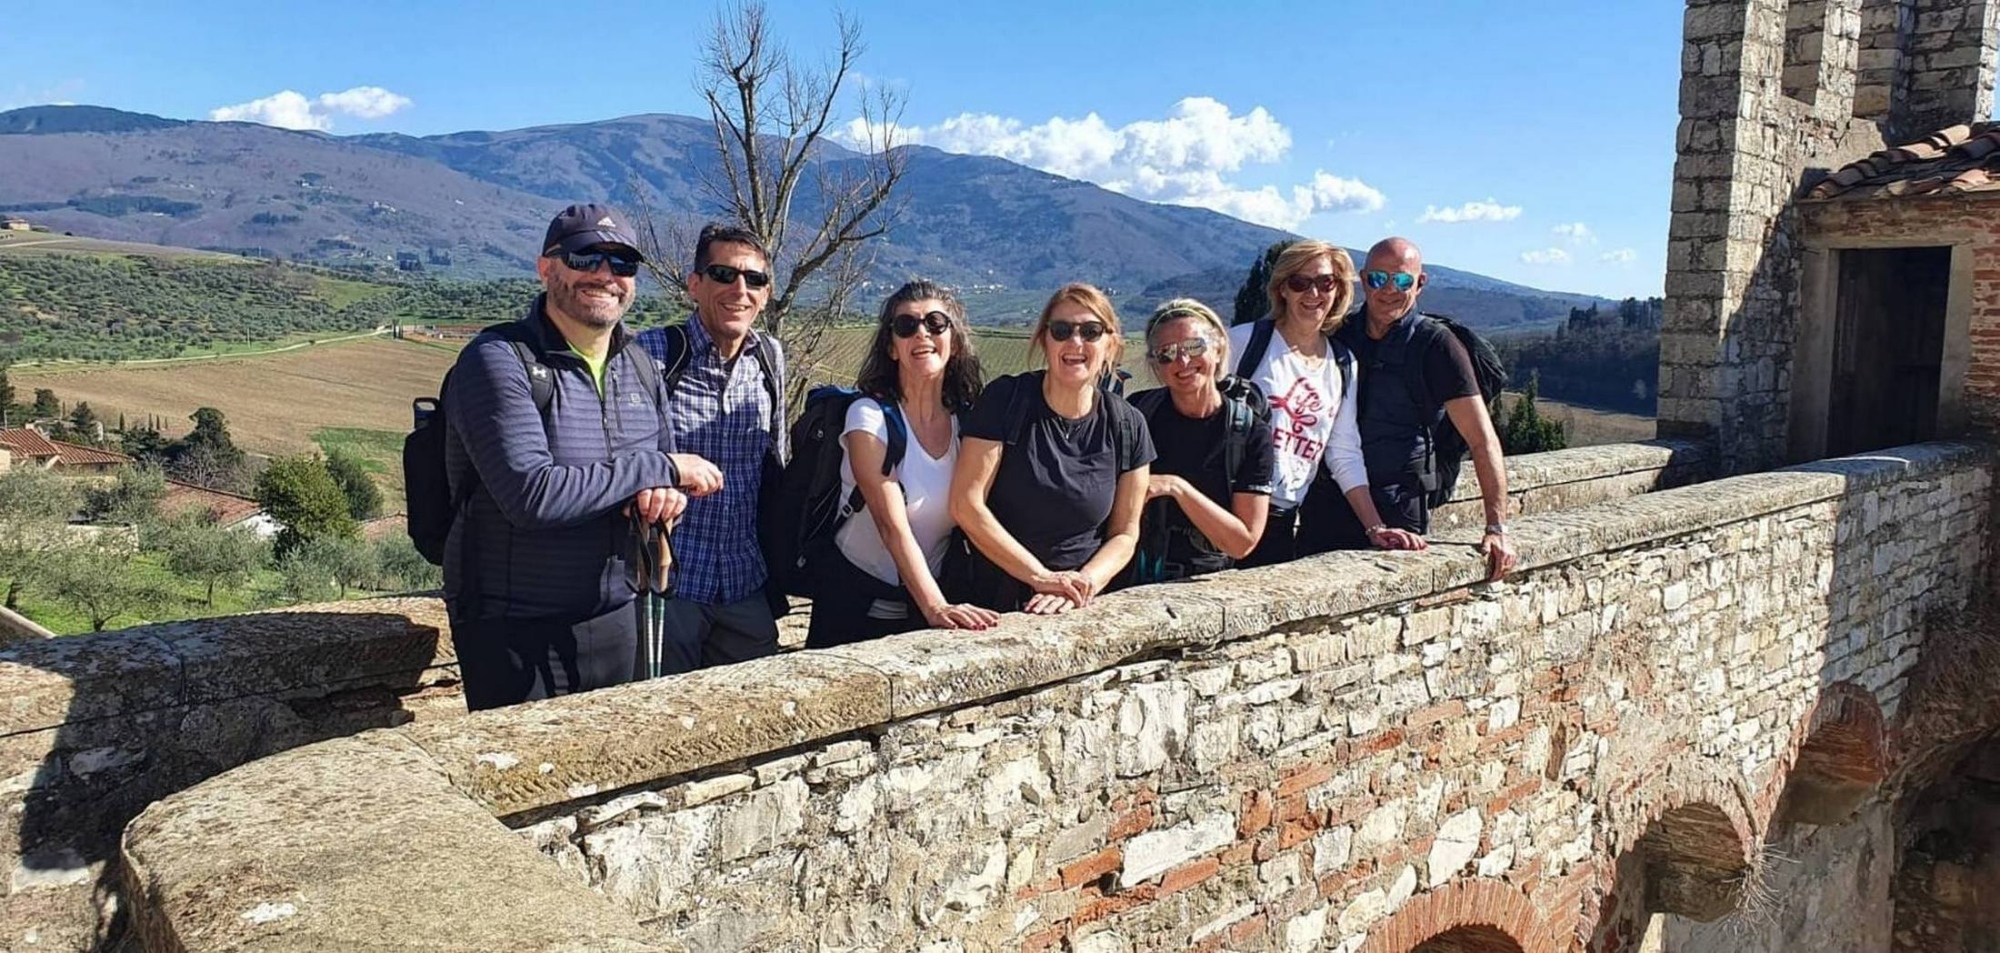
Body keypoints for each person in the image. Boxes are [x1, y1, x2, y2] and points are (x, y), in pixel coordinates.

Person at [442, 203, 721, 711]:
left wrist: (664, 497)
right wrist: (664, 469)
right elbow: (532, 496)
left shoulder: (639, 365)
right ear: (547, 268)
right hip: (514, 628)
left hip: (618, 616)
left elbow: (657, 475)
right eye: (585, 257)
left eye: (622, 264)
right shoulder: (498, 360)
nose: (604, 275)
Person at [805, 281, 1002, 647]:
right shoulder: (869, 418)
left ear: (954, 343)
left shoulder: (968, 426)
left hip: (919, 608)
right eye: (906, 326)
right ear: (892, 348)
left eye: (936, 323)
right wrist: (936, 607)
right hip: (851, 608)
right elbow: (890, 524)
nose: (921, 333)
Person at [1316, 236, 1517, 581]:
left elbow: (1482, 439)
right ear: (1363, 280)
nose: (1389, 289)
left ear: (1420, 284)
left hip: (1399, 506)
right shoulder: (1339, 334)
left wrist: (1496, 527)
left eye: (1403, 280)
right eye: (1379, 279)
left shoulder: (1438, 346)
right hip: (1329, 499)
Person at [636, 224, 789, 670]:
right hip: (670, 583)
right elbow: (618, 460)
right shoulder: (653, 353)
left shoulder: (769, 356)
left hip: (745, 582)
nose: (740, 289)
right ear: (695, 284)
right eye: (724, 274)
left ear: (766, 292)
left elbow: (774, 461)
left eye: (754, 279)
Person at [950, 283, 1155, 614]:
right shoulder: (1005, 401)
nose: (1075, 342)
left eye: (1091, 331)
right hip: (997, 603)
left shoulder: (1128, 424)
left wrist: (1080, 583)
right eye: (1061, 330)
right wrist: (1041, 577)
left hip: (1081, 603)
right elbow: (966, 505)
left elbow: (1125, 533)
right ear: (1044, 340)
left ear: (1111, 344)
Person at [1228, 240, 1424, 566]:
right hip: (1228, 508)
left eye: (1325, 282)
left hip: (1282, 520)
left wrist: (1375, 527)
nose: (1313, 293)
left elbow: (1343, 451)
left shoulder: (1342, 364)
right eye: (1300, 282)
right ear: (1282, 289)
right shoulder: (1244, 342)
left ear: (1338, 291)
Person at [1124, 299, 1275, 582]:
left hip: (1202, 584)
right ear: (1156, 365)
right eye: (1167, 353)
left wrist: (1176, 487)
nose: (1182, 361)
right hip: (1129, 578)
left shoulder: (1249, 433)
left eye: (1194, 347)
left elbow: (1243, 542)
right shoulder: (1137, 414)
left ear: (1218, 348)